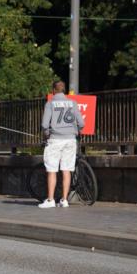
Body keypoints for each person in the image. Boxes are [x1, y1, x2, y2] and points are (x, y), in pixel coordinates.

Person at [39, 80, 85, 209]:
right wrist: (75, 130)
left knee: (52, 169)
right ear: (64, 90)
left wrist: (48, 133)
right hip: (70, 140)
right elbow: (81, 123)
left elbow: (44, 125)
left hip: (55, 139)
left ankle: (50, 200)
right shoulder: (72, 103)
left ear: (53, 90)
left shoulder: (50, 103)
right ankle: (64, 200)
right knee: (66, 169)